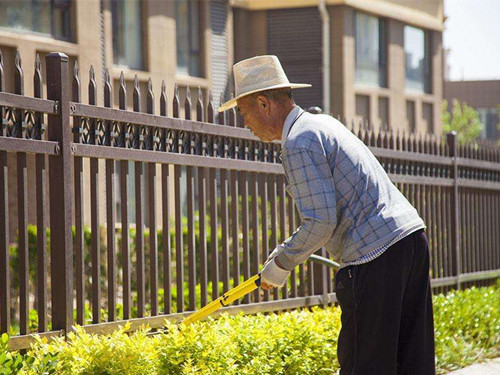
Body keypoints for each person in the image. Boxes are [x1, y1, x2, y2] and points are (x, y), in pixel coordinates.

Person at [218, 55, 435, 375]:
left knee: (365, 364)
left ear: (263, 104)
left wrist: (280, 263)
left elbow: (321, 221)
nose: (245, 122)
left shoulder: (299, 141)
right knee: (412, 362)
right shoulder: (324, 124)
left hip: (374, 256)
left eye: (243, 112)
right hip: (410, 240)